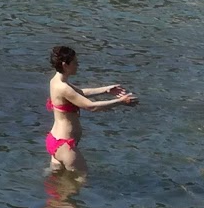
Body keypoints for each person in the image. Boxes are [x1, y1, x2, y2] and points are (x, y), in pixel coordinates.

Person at [44, 45, 137, 177]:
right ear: (65, 65)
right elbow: (91, 106)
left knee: (56, 182)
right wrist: (121, 102)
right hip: (65, 146)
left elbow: (79, 93)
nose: (78, 65)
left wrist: (106, 90)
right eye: (75, 63)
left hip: (55, 140)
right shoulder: (63, 88)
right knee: (79, 183)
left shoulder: (56, 82)